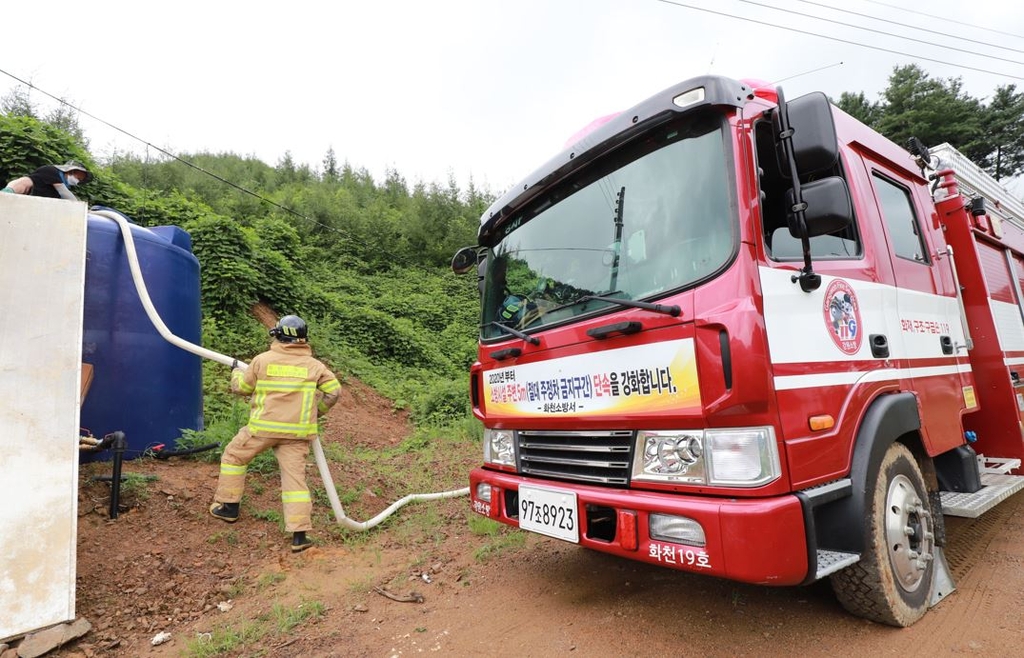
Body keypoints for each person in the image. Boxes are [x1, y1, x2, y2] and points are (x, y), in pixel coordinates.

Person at [209, 315, 341, 552]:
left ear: (278, 335)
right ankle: (299, 536)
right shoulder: (315, 366)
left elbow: (242, 388)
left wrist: (236, 373)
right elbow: (334, 392)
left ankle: (228, 508)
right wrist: (317, 412)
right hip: (297, 434)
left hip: (263, 429)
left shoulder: (262, 360)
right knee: (295, 480)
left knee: (234, 457)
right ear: (303, 339)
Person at [2, 161, 93, 200]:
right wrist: (79, 206)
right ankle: (5, 193)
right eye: (78, 178)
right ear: (70, 171)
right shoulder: (50, 170)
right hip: (25, 195)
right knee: (26, 181)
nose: (77, 181)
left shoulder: (62, 191)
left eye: (80, 180)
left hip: (38, 207)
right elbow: (63, 191)